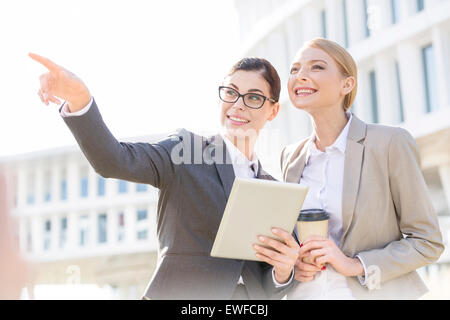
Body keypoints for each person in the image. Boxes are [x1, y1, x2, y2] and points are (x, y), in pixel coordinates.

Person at [29, 53, 300, 300]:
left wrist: (283, 271)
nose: (238, 105)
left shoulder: (274, 193)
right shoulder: (185, 153)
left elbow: (266, 283)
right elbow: (113, 160)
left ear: (273, 110)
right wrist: (80, 100)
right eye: (231, 93)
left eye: (253, 97)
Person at [280, 38, 444, 299]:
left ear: (347, 84)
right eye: (295, 69)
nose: (301, 76)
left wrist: (356, 264)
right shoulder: (291, 157)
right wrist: (296, 265)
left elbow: (427, 242)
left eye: (317, 67)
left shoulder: (389, 143)